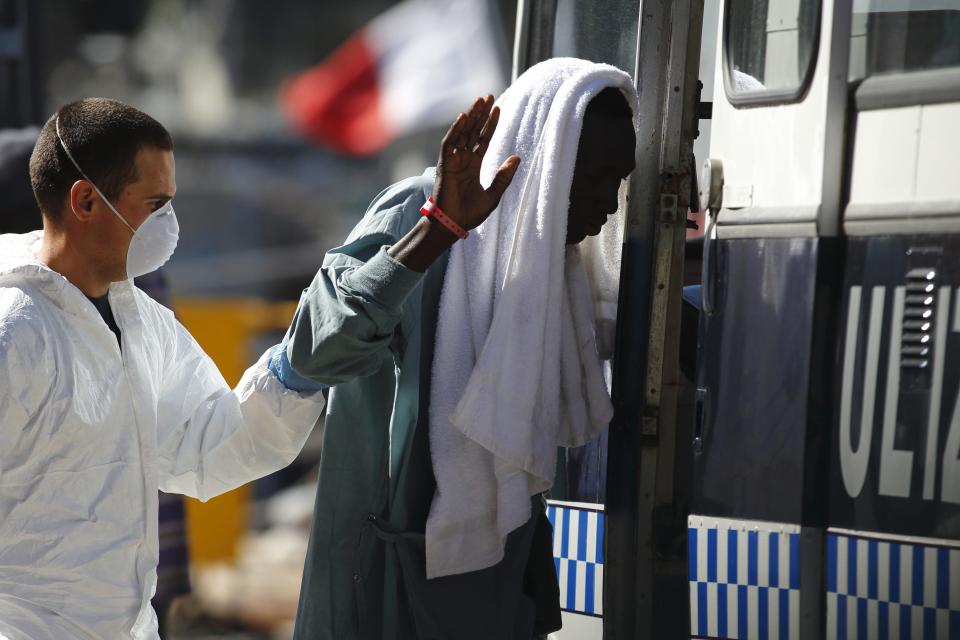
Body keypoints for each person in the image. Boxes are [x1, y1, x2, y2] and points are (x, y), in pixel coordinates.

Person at [286, 59, 638, 640]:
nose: (606, 205)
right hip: (385, 593)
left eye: (616, 181)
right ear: (541, 162)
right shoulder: (418, 211)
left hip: (497, 595)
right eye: (592, 177)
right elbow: (316, 353)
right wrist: (440, 229)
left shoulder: (557, 266)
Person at [0, 98, 328, 640]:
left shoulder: (139, 319)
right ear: (85, 200)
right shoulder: (15, 332)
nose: (168, 224)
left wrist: (296, 372)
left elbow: (204, 445)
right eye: (155, 204)